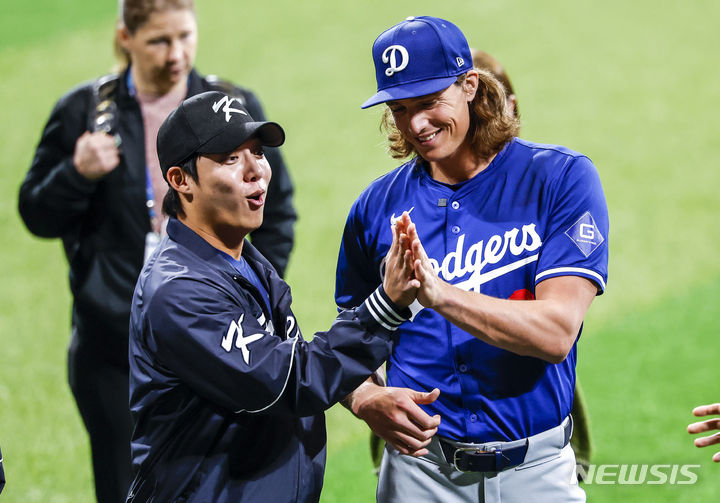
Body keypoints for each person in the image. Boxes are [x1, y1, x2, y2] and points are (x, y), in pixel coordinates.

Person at [17, 1, 294, 502]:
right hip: (111, 348)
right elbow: (36, 213)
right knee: (127, 487)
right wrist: (75, 175)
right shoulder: (85, 112)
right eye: (159, 41)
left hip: (214, 333)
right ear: (126, 38)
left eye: (185, 37)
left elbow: (276, 211)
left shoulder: (230, 107)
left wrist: (246, 292)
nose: (177, 54)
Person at [336, 15, 609, 502]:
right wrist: (363, 396)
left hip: (536, 473)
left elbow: (556, 331)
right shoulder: (374, 209)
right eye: (399, 109)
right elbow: (349, 335)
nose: (416, 124)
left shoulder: (559, 179)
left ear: (469, 85)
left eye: (429, 102)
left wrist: (439, 294)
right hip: (418, 475)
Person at [126, 90, 417, 502]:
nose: (256, 171)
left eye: (257, 152)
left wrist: (358, 392)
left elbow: (287, 353)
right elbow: (284, 383)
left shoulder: (241, 257)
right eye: (230, 159)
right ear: (180, 180)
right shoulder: (178, 292)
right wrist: (384, 307)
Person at [471, 48, 595, 478]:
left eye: (486, 100)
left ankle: (573, 451)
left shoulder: (556, 182)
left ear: (510, 106)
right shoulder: (404, 203)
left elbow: (557, 333)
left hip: (535, 433)